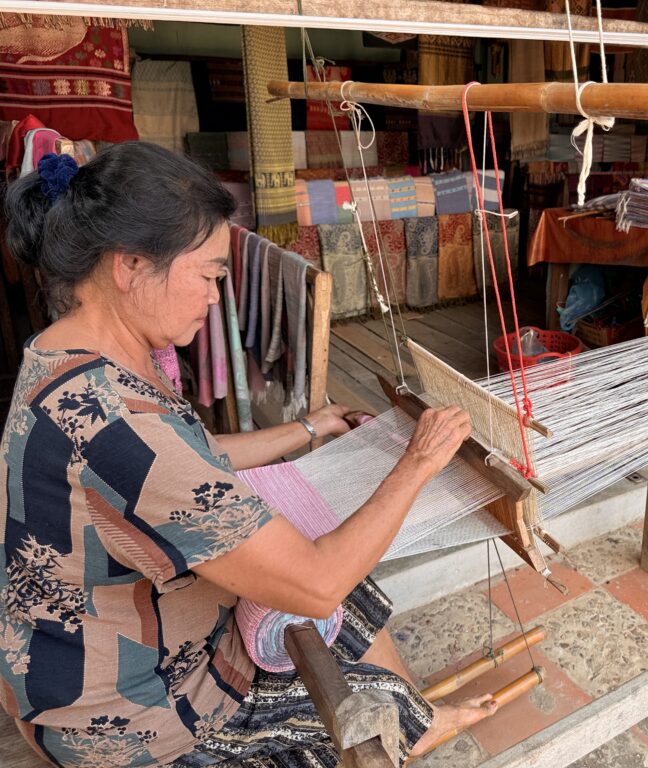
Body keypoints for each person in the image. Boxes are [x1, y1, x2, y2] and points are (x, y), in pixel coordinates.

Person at [0, 142, 496, 768]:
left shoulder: (69, 359)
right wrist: (418, 463)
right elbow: (317, 584)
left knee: (345, 571)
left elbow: (193, 455)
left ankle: (414, 721)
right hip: (129, 718)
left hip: (80, 665)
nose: (215, 297)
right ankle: (413, 727)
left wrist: (309, 427)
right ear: (131, 265)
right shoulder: (117, 426)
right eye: (209, 275)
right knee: (358, 664)